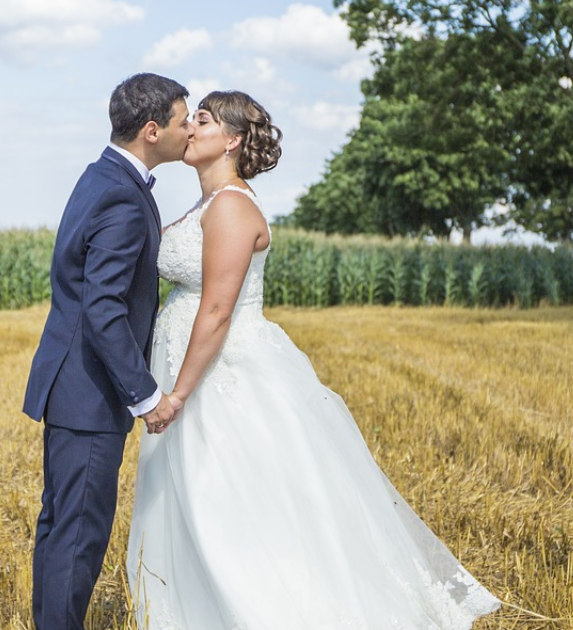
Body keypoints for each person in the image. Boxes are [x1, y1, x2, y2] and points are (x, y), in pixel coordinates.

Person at [125, 90, 502, 629]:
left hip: (220, 372)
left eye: (202, 120)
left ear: (231, 139)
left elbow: (215, 311)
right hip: (190, 366)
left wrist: (178, 393)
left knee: (229, 502)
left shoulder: (232, 206)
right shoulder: (206, 204)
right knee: (194, 500)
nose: (190, 128)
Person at [22, 72, 192, 630]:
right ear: (151, 130)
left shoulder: (103, 176)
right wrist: (146, 397)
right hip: (90, 393)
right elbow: (103, 309)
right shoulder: (121, 192)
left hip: (72, 387)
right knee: (79, 533)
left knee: (62, 525)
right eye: (182, 119)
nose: (188, 129)